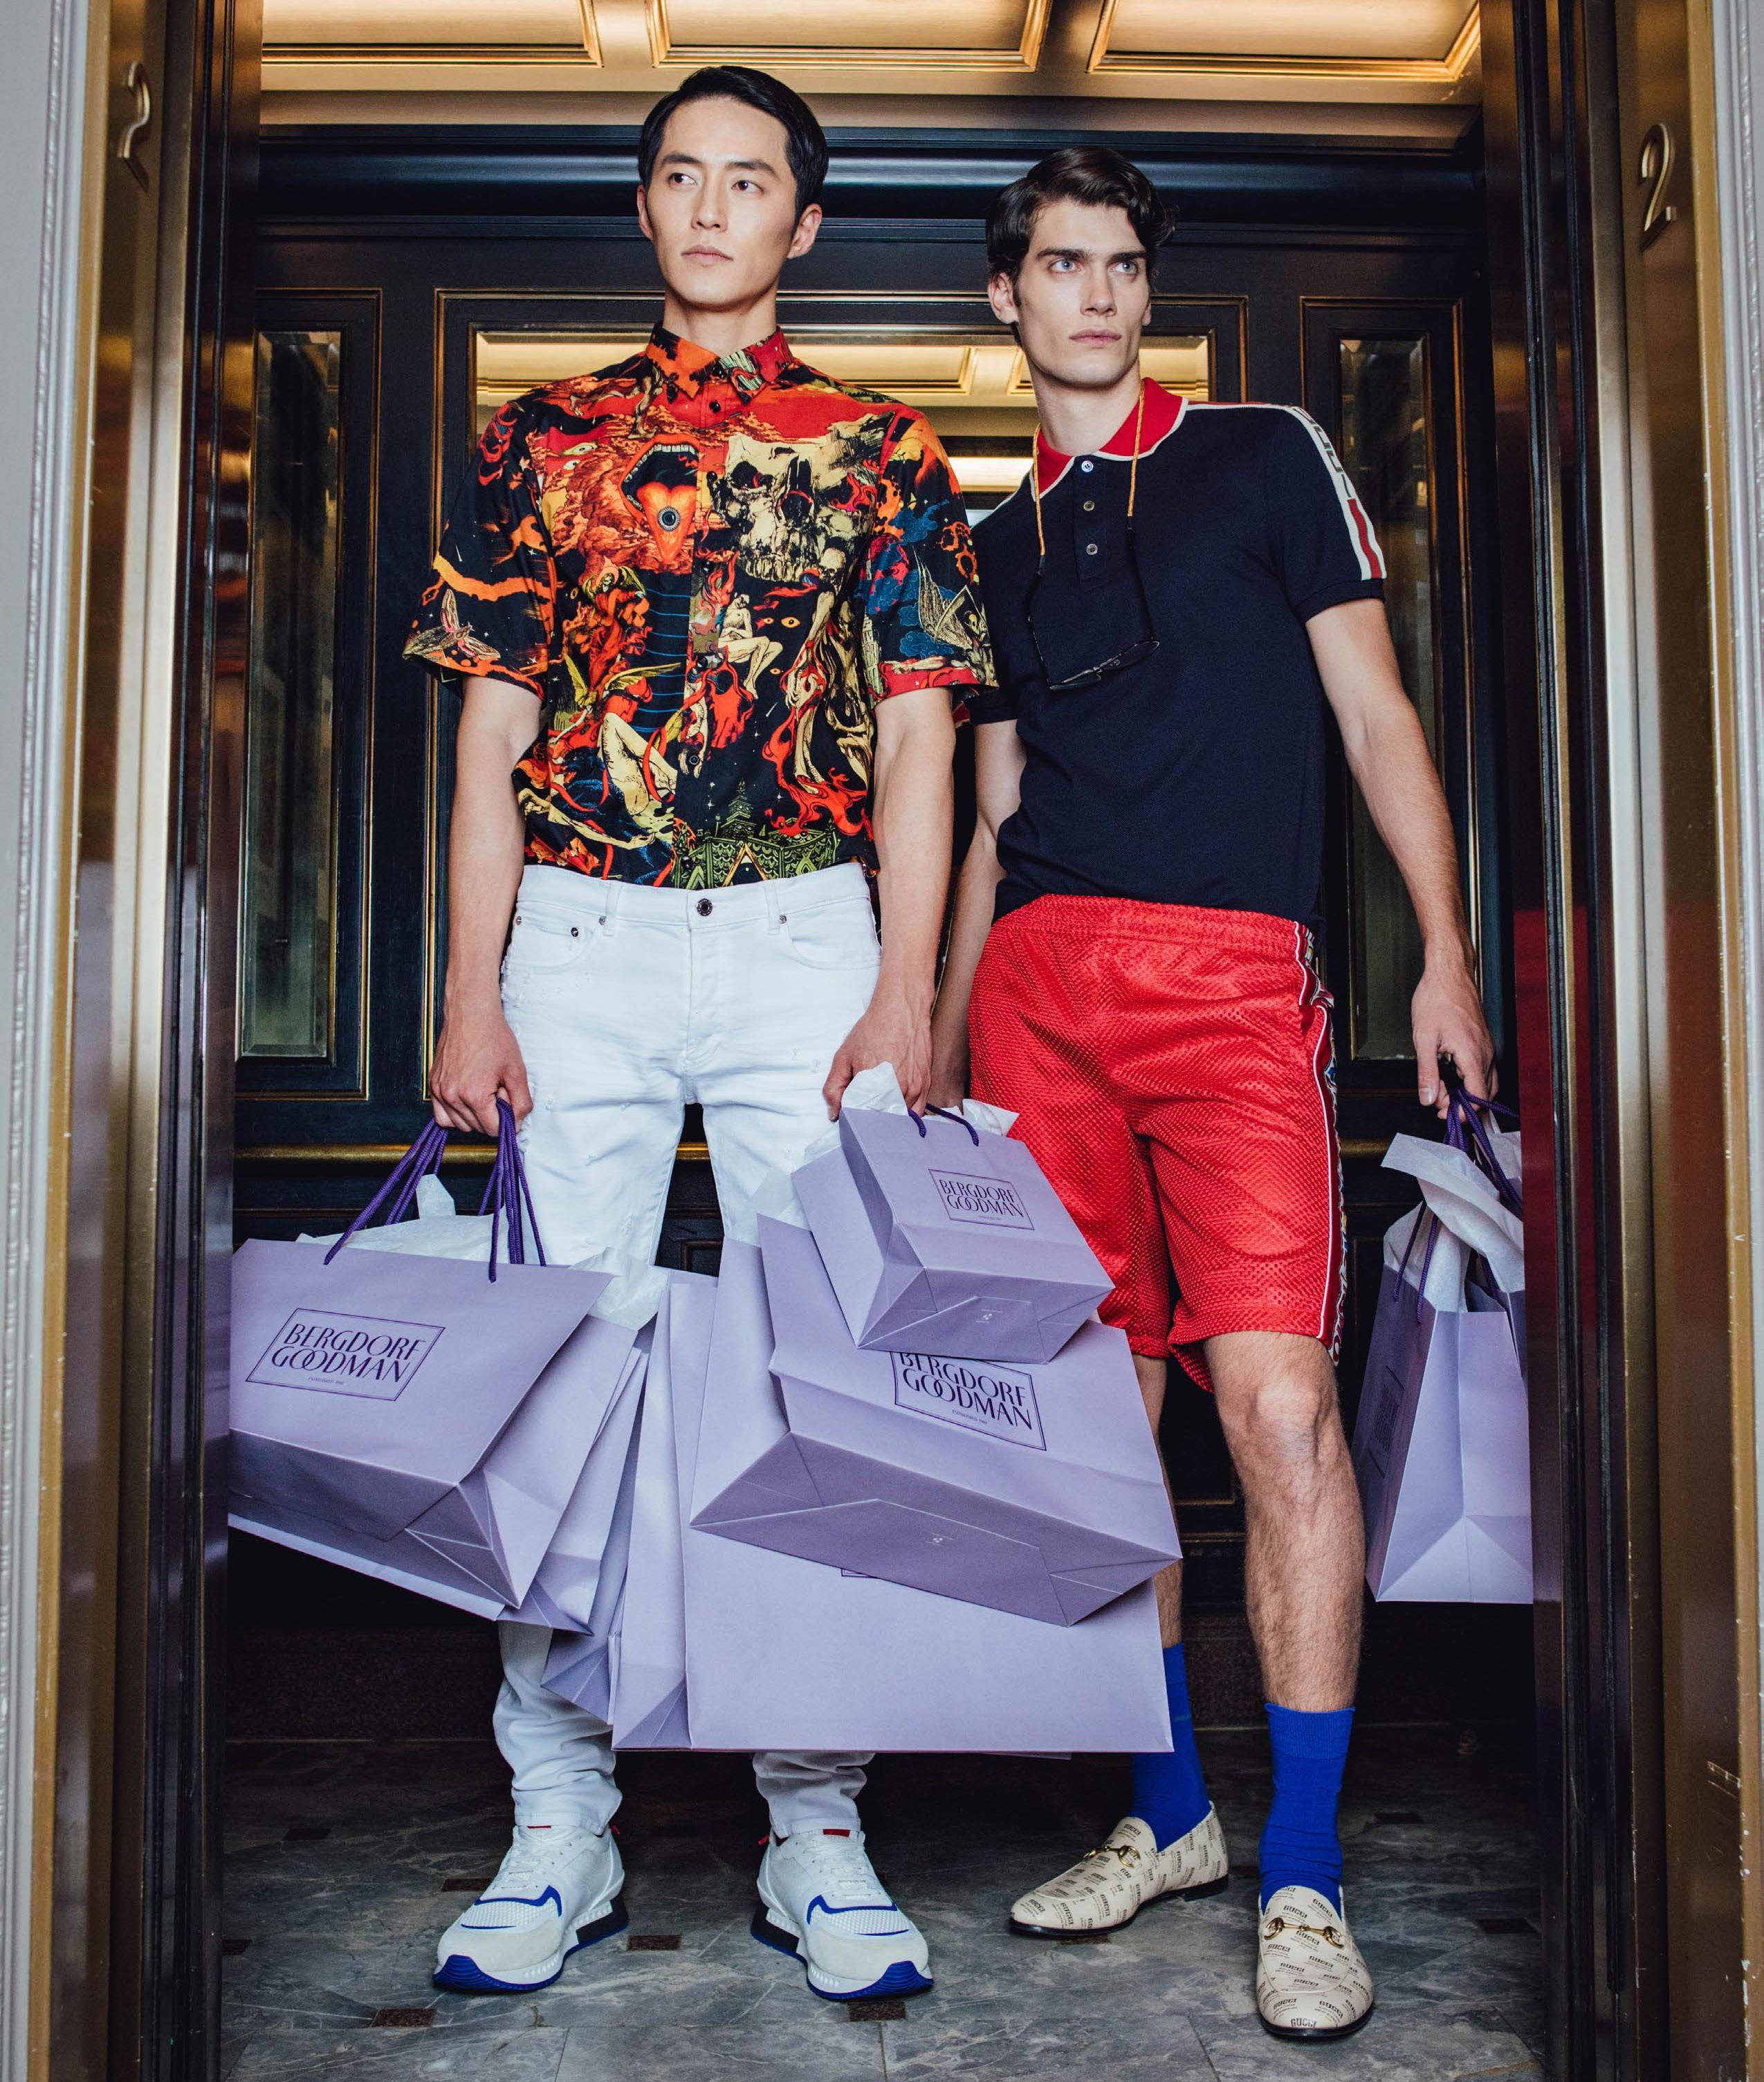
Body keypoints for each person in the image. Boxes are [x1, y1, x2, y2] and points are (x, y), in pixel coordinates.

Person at [405, 64, 990, 2004]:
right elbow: (491, 730)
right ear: (646, 206)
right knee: (553, 1379)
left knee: (824, 1377)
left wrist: (906, 986)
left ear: (802, 224)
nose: (714, 205)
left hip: (810, 934)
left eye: (751, 180)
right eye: (682, 174)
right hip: (579, 934)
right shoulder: (538, 437)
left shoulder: (887, 447)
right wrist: (471, 987)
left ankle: (815, 1826)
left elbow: (922, 736)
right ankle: (557, 1824)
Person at [928, 147, 1496, 2043]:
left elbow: (1375, 711)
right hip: (1040, 998)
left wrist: (1443, 950)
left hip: (1237, 990)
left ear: (1146, 288)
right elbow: (996, 819)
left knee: (1279, 1409)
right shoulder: (991, 550)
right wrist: (943, 1042)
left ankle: (1305, 1866)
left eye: (1121, 264)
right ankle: (1169, 1813)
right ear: (1007, 296)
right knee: (1104, 1435)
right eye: (1061, 265)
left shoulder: (1264, 457)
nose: (1095, 293)